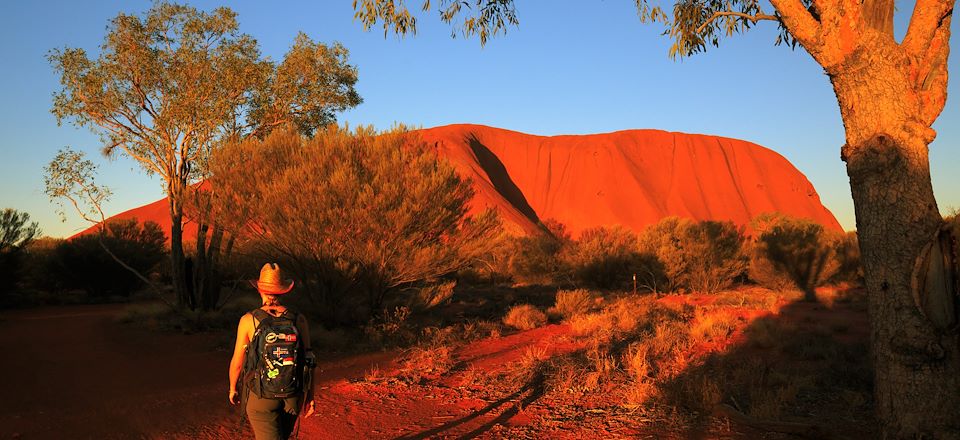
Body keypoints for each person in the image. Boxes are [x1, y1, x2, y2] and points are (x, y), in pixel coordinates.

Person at [229, 263, 316, 440]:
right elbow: (310, 360)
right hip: (293, 394)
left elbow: (237, 362)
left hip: (261, 397)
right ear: (284, 291)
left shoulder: (248, 320)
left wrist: (233, 388)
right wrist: (310, 395)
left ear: (260, 290)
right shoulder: (299, 319)